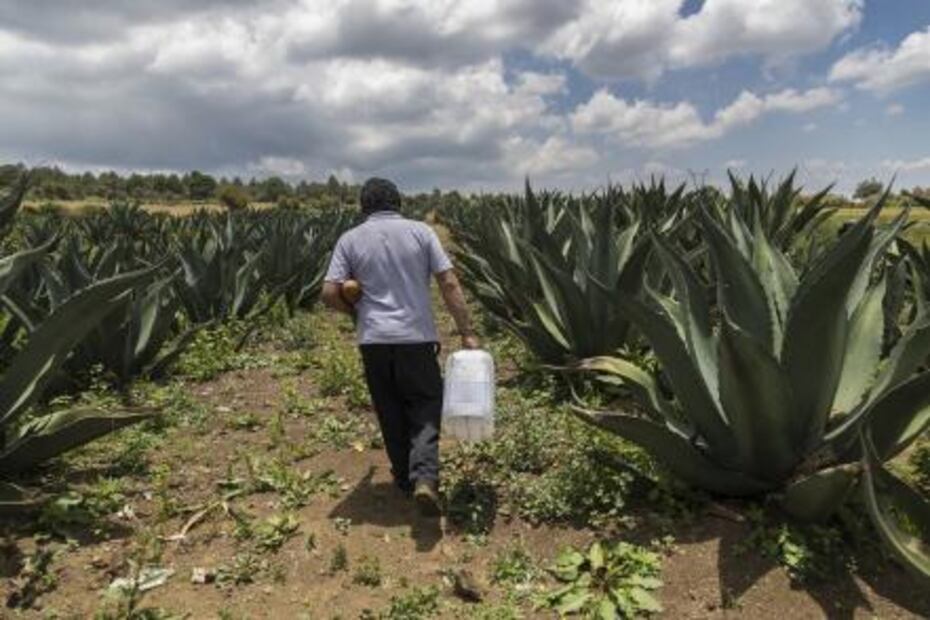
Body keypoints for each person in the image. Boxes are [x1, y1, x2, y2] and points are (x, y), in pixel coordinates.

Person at [321, 177, 479, 516]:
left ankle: (405, 482)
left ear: (363, 207)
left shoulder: (350, 239)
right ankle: (425, 477)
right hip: (415, 338)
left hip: (373, 341)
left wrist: (356, 313)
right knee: (425, 404)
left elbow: (329, 293)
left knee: (389, 408)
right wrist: (466, 331)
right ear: (399, 203)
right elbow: (448, 282)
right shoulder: (421, 232)